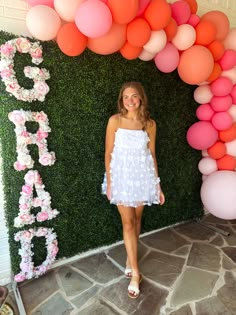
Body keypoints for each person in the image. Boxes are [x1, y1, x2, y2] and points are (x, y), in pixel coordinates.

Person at [102, 81, 165, 299]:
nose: (130, 100)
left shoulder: (149, 124)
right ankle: (136, 274)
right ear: (122, 100)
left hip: (143, 178)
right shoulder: (115, 121)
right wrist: (110, 183)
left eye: (134, 96)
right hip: (121, 178)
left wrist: (157, 185)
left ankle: (130, 259)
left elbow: (152, 155)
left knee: (137, 221)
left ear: (141, 99)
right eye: (126, 97)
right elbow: (108, 152)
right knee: (128, 223)